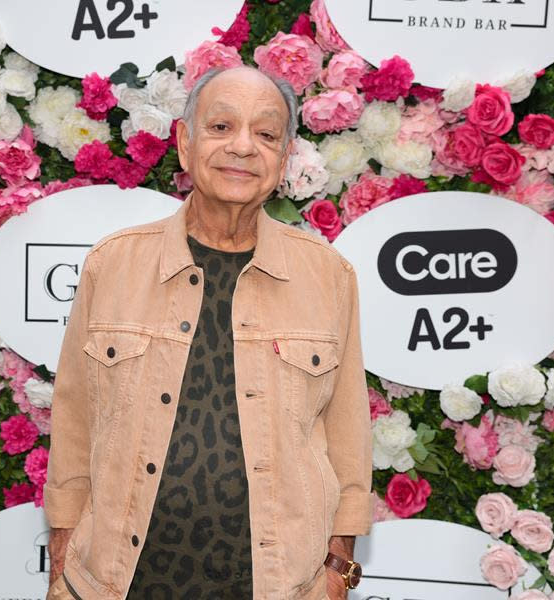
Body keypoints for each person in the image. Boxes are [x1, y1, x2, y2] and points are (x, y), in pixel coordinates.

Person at [44, 65, 373, 600]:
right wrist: (62, 549)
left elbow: (348, 436)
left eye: (266, 134)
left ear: (285, 157)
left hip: (280, 585)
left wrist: (338, 568)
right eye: (221, 127)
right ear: (184, 142)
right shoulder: (115, 263)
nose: (243, 147)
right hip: (117, 581)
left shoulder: (328, 276)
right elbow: (76, 415)